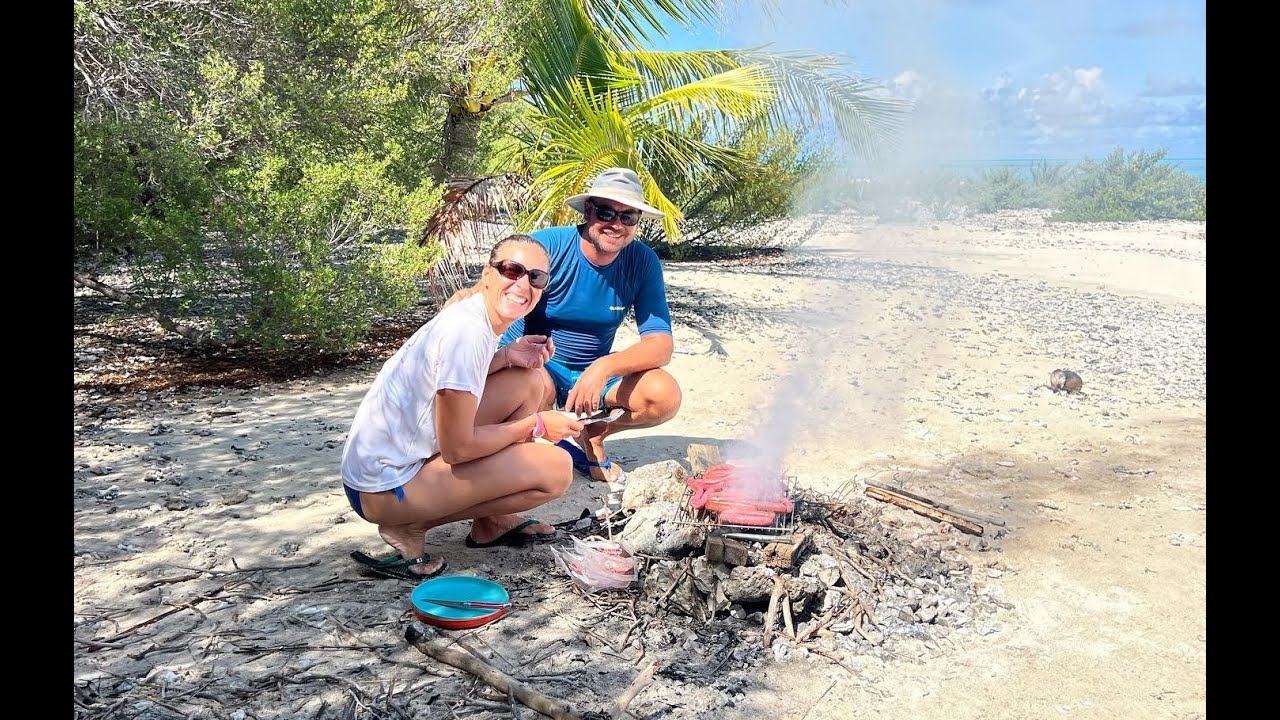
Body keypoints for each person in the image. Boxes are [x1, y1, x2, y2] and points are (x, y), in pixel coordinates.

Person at [340, 234, 584, 580]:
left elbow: (445, 381)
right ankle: (408, 526)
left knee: (528, 379)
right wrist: (537, 426)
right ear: (487, 274)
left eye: (535, 277)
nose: (522, 283)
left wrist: (506, 357)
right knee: (556, 469)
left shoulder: (477, 318)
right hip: (381, 488)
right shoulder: (468, 332)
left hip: (392, 464)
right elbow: (458, 448)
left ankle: (491, 523)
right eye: (511, 270)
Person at [449, 167, 682, 484]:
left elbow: (660, 345)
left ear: (637, 222)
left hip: (591, 372)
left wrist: (603, 368)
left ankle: (595, 432)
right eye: (606, 212)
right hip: (535, 364)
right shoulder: (548, 248)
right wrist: (461, 303)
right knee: (533, 392)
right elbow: (492, 287)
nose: (616, 224)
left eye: (627, 217)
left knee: (663, 394)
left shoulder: (642, 262)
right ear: (589, 210)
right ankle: (527, 457)